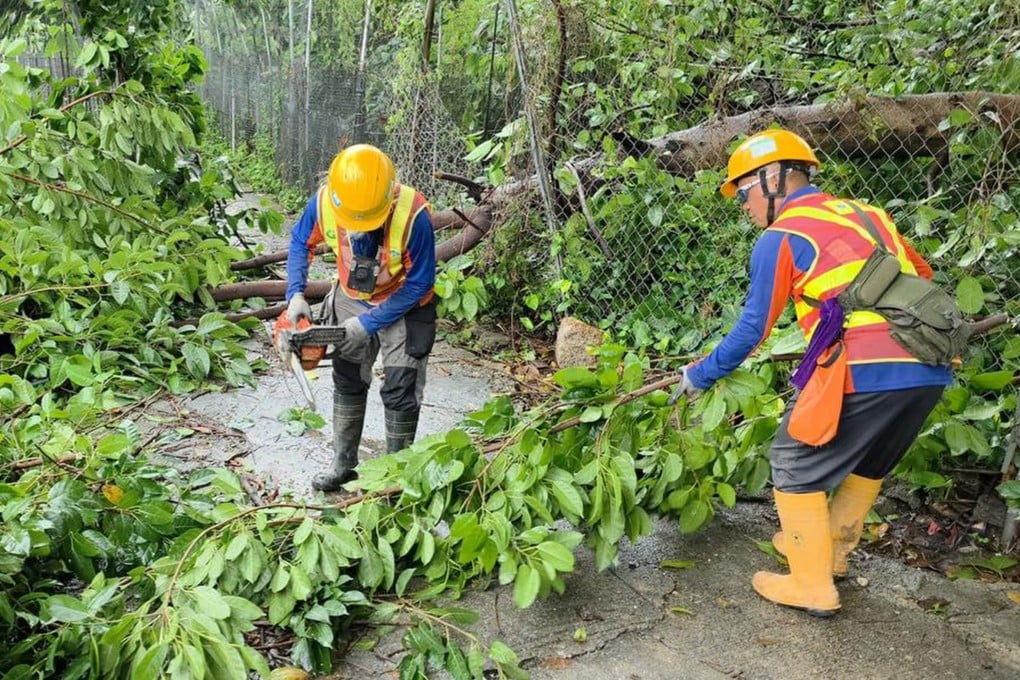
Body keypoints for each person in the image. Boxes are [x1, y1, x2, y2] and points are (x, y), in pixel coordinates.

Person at [672, 129, 952, 616]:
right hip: (928, 363)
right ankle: (832, 555)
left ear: (773, 178)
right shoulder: (869, 214)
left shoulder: (779, 238)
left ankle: (811, 585)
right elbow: (919, 276)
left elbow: (752, 329)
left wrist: (701, 374)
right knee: (871, 459)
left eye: (743, 193)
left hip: (866, 364)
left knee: (793, 458)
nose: (743, 206)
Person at [280, 143, 437, 492]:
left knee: (400, 386)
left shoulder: (413, 213)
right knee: (348, 377)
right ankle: (343, 463)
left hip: (406, 303)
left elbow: (421, 282)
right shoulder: (324, 202)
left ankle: (395, 477)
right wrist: (296, 295)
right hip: (351, 296)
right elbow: (299, 242)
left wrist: (367, 324)